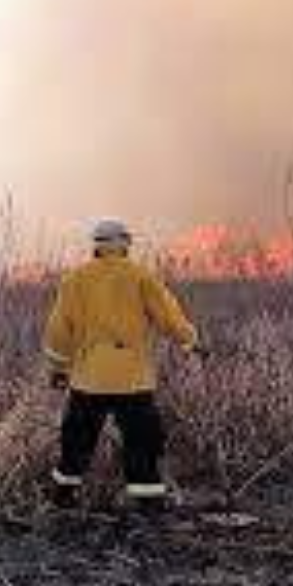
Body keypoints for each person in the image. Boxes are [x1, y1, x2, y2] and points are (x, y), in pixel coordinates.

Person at [43, 218, 207, 511]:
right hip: (133, 381)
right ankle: (148, 501)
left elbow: (58, 329)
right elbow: (168, 317)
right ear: (124, 243)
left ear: (96, 245)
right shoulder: (140, 276)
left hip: (88, 380)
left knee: (76, 440)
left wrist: (59, 368)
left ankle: (62, 498)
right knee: (141, 441)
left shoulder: (74, 280)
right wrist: (191, 342)